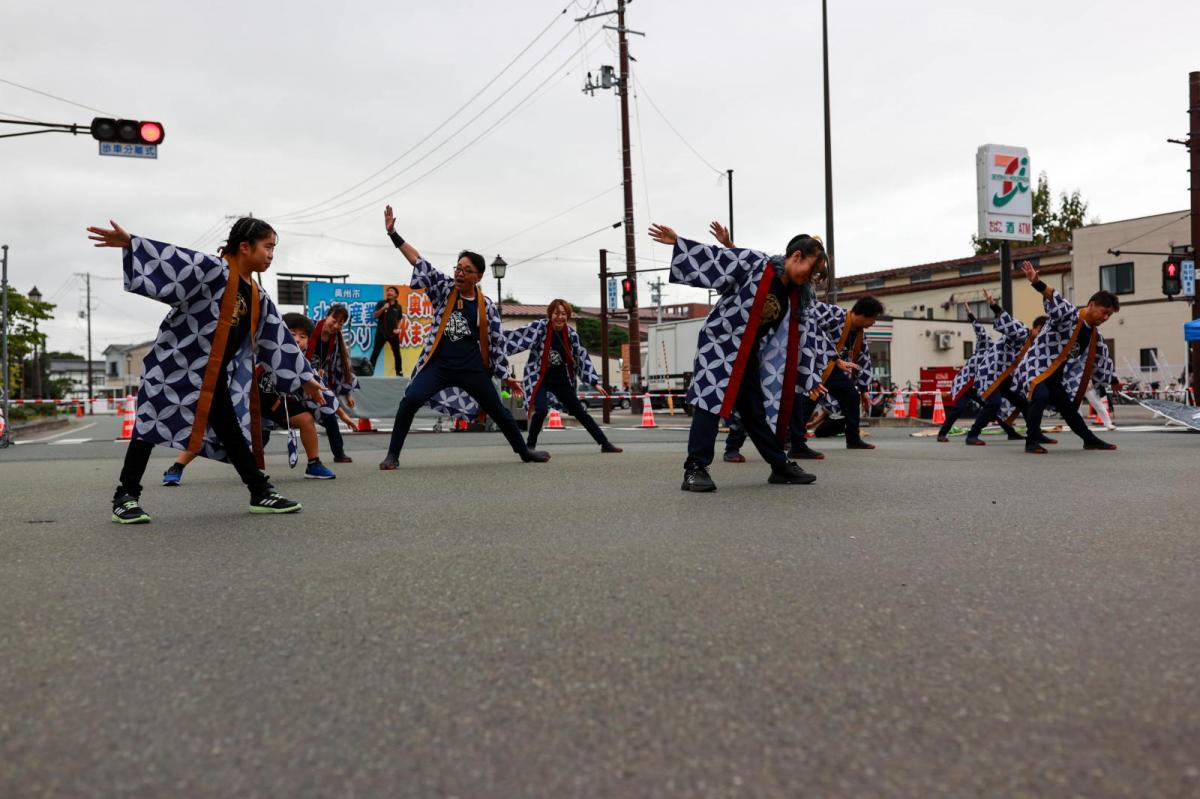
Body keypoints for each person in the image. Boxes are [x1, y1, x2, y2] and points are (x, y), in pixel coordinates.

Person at [87, 217, 324, 523]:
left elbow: (277, 338)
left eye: (272, 248)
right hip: (173, 367)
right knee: (147, 428)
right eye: (267, 247)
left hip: (211, 377)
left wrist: (305, 378)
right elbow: (175, 261)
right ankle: (125, 497)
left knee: (231, 432)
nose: (270, 254)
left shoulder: (256, 294)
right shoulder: (211, 270)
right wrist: (133, 244)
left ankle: (260, 491)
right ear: (244, 247)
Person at [648, 220, 822, 492]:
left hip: (748, 355)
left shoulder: (794, 297)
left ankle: (780, 466)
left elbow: (800, 339)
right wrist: (680, 243)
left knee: (755, 413)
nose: (810, 278)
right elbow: (718, 260)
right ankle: (695, 468)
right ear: (797, 256)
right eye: (811, 269)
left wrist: (810, 375)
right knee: (708, 402)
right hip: (719, 344)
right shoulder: (756, 263)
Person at [378, 205, 549, 468]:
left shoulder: (486, 307)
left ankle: (524, 451)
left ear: (477, 277)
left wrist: (505, 375)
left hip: (471, 367)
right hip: (438, 364)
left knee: (499, 411)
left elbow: (496, 344)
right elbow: (418, 261)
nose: (459, 272)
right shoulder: (445, 289)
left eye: (466, 270)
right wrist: (393, 234)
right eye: (458, 267)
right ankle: (392, 456)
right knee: (410, 400)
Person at [162, 313, 338, 484]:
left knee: (306, 419)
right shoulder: (259, 350)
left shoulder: (303, 362)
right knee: (212, 432)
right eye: (291, 334)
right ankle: (177, 467)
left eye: (303, 336)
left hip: (275, 406)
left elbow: (320, 389)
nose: (298, 340)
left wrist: (342, 414)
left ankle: (314, 464)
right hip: (246, 403)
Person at [1013, 261, 1120, 454]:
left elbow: (1103, 359)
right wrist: (1036, 282)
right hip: (1036, 365)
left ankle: (1089, 440)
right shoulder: (1070, 315)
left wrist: (1113, 379)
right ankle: (1031, 441)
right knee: (1041, 395)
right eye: (1104, 312)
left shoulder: (1094, 335)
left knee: (1068, 408)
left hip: (1054, 374)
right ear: (1092, 305)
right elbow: (1054, 297)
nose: (1105, 318)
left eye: (1109, 316)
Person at [504, 299, 623, 453]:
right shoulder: (539, 328)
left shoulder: (572, 335)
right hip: (539, 376)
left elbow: (582, 358)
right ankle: (529, 447)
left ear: (567, 316)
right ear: (550, 314)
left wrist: (594, 382)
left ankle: (604, 443)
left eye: (563, 314)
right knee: (541, 410)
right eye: (556, 313)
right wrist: (493, 342)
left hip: (561, 378)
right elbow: (517, 337)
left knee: (579, 411)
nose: (559, 317)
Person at [789, 296, 884, 459]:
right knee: (810, 399)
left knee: (848, 396)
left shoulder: (859, 334)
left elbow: (863, 359)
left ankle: (853, 439)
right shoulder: (834, 313)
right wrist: (830, 355)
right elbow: (809, 322)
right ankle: (792, 439)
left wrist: (864, 389)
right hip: (814, 362)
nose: (873, 323)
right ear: (865, 314)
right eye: (874, 318)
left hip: (831, 367)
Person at [962, 288, 1048, 446]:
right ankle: (972, 435)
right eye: (1042, 330)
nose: (1044, 335)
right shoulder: (1022, 332)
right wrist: (994, 306)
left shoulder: (1037, 345)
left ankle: (1035, 433)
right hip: (992, 372)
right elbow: (1010, 324)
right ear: (1035, 328)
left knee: (1023, 402)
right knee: (994, 403)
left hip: (1007, 377)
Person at [936, 298, 1023, 443]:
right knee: (959, 408)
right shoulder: (985, 345)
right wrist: (970, 315)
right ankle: (942, 433)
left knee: (993, 407)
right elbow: (980, 330)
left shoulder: (1000, 351)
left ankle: (1010, 431)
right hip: (966, 382)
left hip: (980, 383)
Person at [306, 304, 358, 464]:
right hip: (298, 381)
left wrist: (348, 393)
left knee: (330, 417)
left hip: (319, 385)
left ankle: (339, 453)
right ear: (327, 315)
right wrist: (311, 369)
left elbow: (343, 367)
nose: (336, 326)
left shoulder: (337, 342)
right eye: (334, 320)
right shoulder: (308, 327)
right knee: (270, 417)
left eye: (341, 323)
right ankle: (252, 452)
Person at [369, 286, 405, 376]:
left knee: (397, 353)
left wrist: (398, 328)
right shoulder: (382, 303)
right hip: (381, 333)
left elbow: (399, 319)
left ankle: (399, 372)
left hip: (393, 334)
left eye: (391, 291)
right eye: (388, 291)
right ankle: (369, 371)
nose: (389, 292)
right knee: (375, 352)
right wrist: (383, 308)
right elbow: (375, 315)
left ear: (396, 294)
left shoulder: (398, 307)